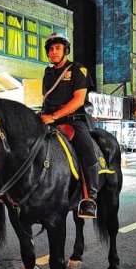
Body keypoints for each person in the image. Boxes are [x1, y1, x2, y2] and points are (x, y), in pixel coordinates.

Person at [40, 32, 98, 219]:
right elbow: (46, 99)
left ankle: (90, 196)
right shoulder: (48, 73)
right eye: (50, 49)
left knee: (85, 148)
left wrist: (55, 116)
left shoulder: (78, 70)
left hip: (73, 120)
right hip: (50, 119)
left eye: (57, 48)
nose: (53, 52)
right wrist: (42, 116)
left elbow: (79, 100)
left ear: (65, 49)